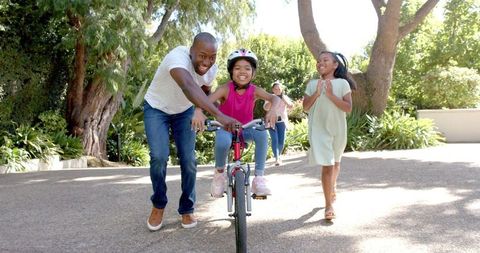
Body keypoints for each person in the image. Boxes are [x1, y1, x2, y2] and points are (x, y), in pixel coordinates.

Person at [143, 32, 239, 231]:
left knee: (188, 160)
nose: (207, 62)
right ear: (191, 51)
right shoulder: (177, 58)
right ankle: (158, 204)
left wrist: (198, 110)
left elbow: (204, 90)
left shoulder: (210, 69)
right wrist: (219, 115)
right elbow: (187, 85)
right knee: (159, 157)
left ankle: (187, 208)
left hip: (184, 111)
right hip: (156, 108)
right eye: (202, 55)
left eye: (212, 57)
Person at [198, 48, 280, 198]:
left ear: (253, 73)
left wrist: (273, 110)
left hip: (246, 129)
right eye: (237, 68)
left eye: (247, 68)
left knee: (262, 134)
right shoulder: (225, 89)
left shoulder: (255, 90)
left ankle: (259, 178)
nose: (242, 71)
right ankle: (219, 176)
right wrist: (198, 112)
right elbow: (205, 102)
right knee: (222, 142)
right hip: (226, 128)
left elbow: (274, 98)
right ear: (231, 71)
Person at [302, 51, 356, 220]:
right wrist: (317, 93)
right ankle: (328, 205)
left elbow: (348, 108)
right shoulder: (312, 84)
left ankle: (332, 187)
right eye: (318, 61)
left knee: (336, 163)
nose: (320, 63)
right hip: (319, 130)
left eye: (325, 60)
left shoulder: (342, 84)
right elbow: (305, 107)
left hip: (338, 129)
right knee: (328, 165)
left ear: (335, 65)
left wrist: (331, 95)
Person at [263, 81, 293, 166]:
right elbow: (265, 108)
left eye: (279, 89)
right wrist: (273, 100)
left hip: (281, 121)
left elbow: (291, 106)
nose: (277, 90)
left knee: (281, 141)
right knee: (275, 139)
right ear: (272, 90)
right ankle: (277, 158)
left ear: (281, 89)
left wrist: (282, 98)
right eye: (275, 89)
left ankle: (278, 155)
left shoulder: (285, 97)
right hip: (271, 121)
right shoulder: (269, 97)